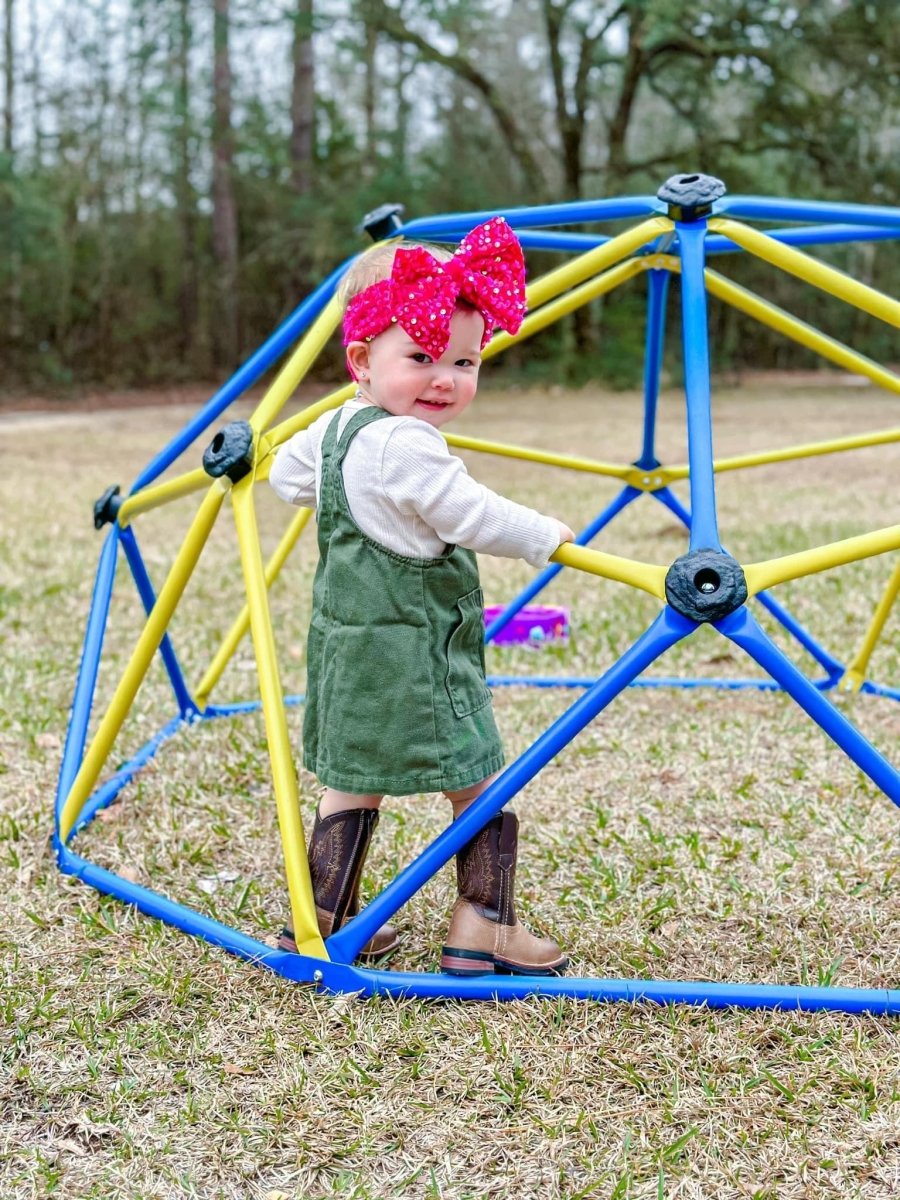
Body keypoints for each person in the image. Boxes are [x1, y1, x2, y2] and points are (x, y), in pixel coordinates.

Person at [269, 216, 574, 976]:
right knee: (475, 777)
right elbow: (469, 514)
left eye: (466, 361)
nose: (445, 378)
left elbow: (287, 478)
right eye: (422, 357)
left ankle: (324, 920)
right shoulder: (407, 444)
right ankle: (484, 925)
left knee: (352, 781)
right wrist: (547, 534)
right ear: (362, 359)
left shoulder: (341, 426)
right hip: (420, 655)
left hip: (348, 654)